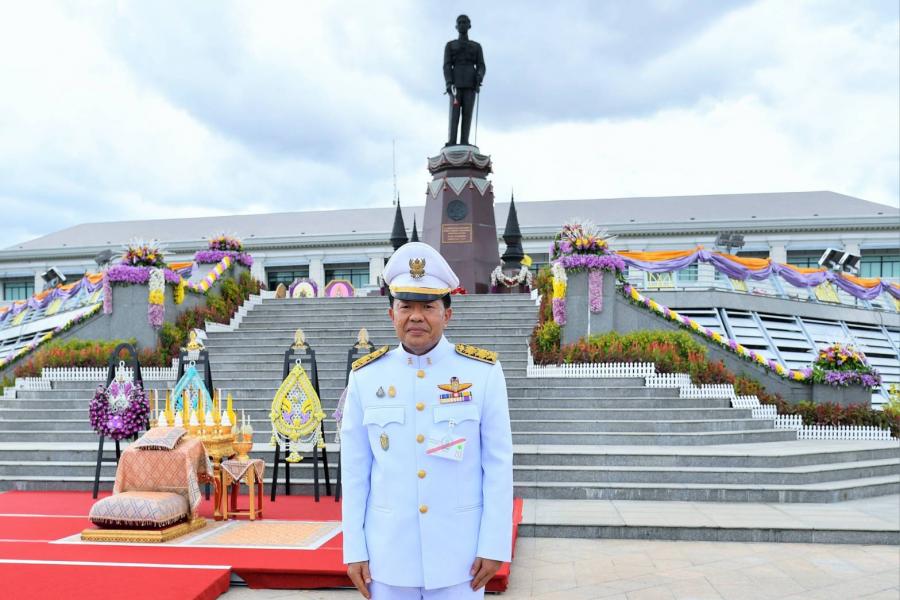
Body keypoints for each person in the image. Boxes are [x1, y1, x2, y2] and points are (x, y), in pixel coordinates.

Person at [341, 241, 513, 599]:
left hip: (461, 557)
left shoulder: (482, 373)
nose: (416, 316)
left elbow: (497, 465)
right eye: (406, 306)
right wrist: (354, 548)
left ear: (447, 315)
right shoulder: (366, 377)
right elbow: (355, 471)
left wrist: (494, 544)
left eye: (428, 307)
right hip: (388, 556)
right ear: (391, 314)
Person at [444, 14, 485, 146]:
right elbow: (447, 65)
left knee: (467, 114)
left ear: (469, 26)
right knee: (454, 114)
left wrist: (479, 76)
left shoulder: (476, 46)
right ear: (456, 27)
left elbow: (481, 65)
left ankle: (464, 141)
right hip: (455, 85)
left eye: (464, 22)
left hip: (470, 84)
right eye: (460, 22)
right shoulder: (450, 45)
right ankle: (452, 140)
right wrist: (448, 82)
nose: (462, 24)